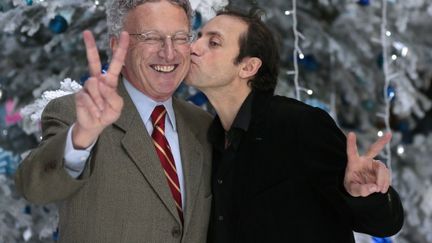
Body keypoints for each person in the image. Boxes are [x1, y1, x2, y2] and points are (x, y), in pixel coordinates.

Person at [185, 8, 404, 243]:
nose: (193, 48)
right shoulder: (209, 139)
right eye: (197, 37)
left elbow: (387, 223)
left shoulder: (300, 125)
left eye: (214, 42)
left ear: (248, 67)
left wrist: (367, 196)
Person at [15, 0, 213, 242]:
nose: (169, 52)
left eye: (180, 37)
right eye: (151, 37)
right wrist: (81, 137)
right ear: (117, 45)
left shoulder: (203, 125)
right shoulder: (77, 114)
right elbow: (34, 187)